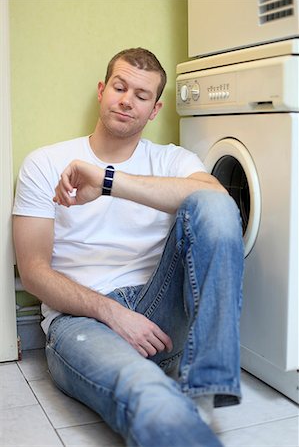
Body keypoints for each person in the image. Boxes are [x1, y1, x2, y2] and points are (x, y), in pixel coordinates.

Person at [13, 47, 244, 447]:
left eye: (141, 95)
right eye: (119, 87)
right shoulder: (45, 162)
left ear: (154, 110)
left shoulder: (172, 160)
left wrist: (107, 181)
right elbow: (33, 271)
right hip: (82, 322)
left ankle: (206, 385)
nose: (126, 100)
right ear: (102, 91)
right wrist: (113, 313)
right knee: (151, 397)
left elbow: (218, 204)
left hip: (160, 313)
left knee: (214, 204)